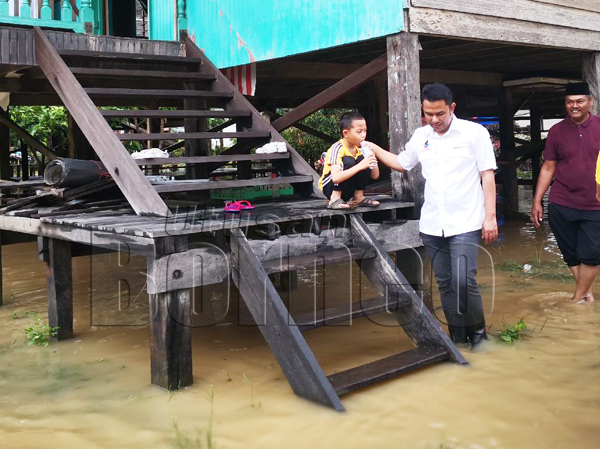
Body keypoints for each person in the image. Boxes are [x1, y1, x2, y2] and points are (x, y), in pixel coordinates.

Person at [369, 83, 498, 347]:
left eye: (440, 113)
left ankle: (478, 335)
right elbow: (402, 164)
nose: (434, 120)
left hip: (466, 221)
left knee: (464, 280)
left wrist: (491, 217)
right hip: (432, 225)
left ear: (452, 108)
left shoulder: (474, 134)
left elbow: (487, 175)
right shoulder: (421, 136)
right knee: (446, 283)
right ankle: (458, 336)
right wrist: (372, 148)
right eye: (429, 114)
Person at [531, 82, 600, 304]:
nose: (574, 106)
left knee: (592, 255)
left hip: (595, 205)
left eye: (580, 101)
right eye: (570, 102)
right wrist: (537, 200)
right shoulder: (556, 131)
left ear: (590, 102)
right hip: (561, 203)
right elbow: (548, 167)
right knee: (571, 255)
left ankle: (576, 299)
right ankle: (586, 296)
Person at [318, 111, 380, 209]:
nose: (363, 135)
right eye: (359, 131)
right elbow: (336, 178)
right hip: (329, 188)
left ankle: (358, 197)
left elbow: (375, 176)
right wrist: (360, 166)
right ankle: (335, 199)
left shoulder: (360, 149)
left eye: (365, 131)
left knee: (362, 159)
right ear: (346, 133)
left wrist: (372, 158)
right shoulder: (337, 148)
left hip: (347, 189)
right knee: (348, 161)